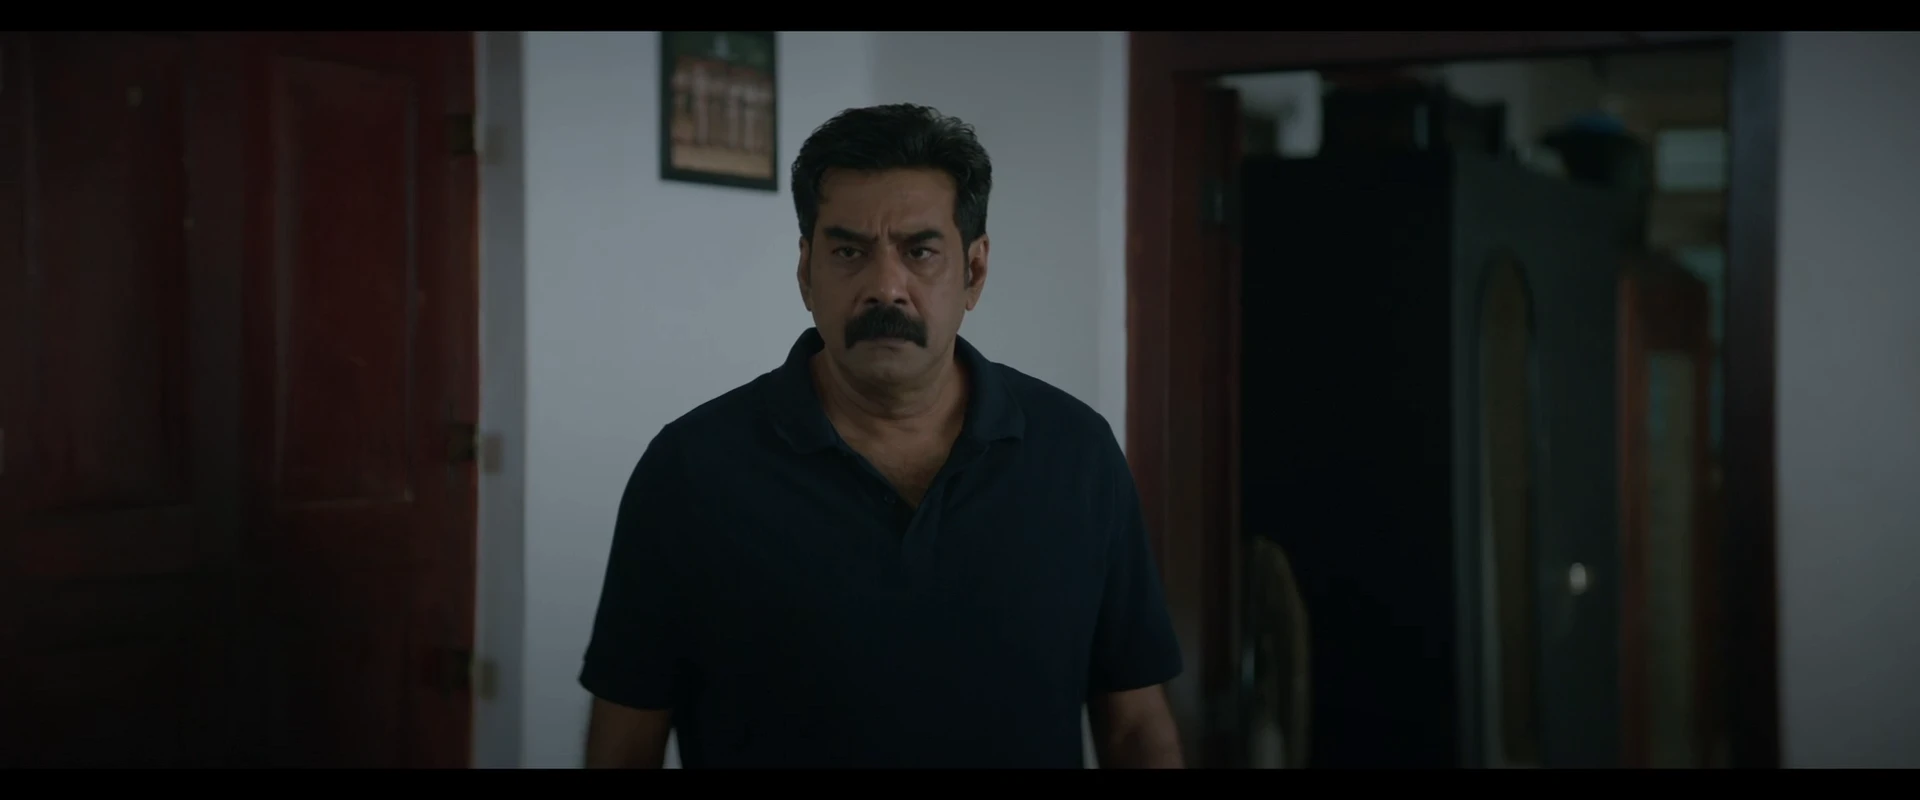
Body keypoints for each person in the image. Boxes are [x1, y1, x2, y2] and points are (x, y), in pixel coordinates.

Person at [579, 104, 1185, 769]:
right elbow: (624, 742)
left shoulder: (1076, 456)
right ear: (806, 272)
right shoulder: (691, 471)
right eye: (849, 252)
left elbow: (1134, 727)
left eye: (920, 252)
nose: (885, 288)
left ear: (974, 271)